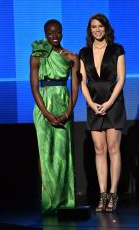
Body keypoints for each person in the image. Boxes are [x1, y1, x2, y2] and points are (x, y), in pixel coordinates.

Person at [30, 19, 79, 215]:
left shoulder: (71, 57)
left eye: (58, 32)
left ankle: (64, 201)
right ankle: (49, 201)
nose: (54, 36)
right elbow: (34, 88)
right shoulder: (37, 55)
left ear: (62, 32)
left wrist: (68, 112)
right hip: (43, 107)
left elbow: (75, 88)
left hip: (63, 104)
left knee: (62, 155)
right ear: (45, 34)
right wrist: (47, 113)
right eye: (50, 33)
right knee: (46, 155)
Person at [79, 13, 126, 212]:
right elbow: (82, 81)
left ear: (106, 28)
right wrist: (90, 102)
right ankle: (102, 194)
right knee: (99, 150)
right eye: (93, 27)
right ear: (90, 30)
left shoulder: (117, 49)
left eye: (100, 26)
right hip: (94, 103)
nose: (97, 30)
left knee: (113, 148)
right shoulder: (84, 52)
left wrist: (108, 103)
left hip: (113, 102)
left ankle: (113, 194)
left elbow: (121, 79)